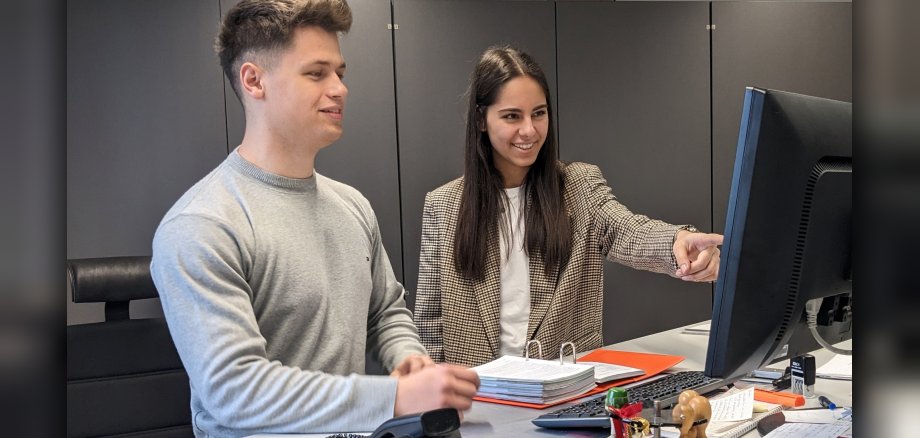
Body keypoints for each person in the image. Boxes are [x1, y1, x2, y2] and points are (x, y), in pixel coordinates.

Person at [150, 1, 478, 436]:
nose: (340, 88)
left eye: (339, 73)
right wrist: (394, 398)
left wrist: (408, 359)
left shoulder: (352, 206)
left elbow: (385, 312)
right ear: (254, 80)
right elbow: (235, 390)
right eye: (316, 73)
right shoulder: (202, 225)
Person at [414, 45, 724, 368]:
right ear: (481, 119)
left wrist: (676, 242)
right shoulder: (444, 205)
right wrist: (437, 410)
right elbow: (430, 328)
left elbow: (627, 230)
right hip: (479, 402)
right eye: (511, 116)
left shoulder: (579, 186)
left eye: (539, 113)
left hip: (566, 399)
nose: (529, 130)